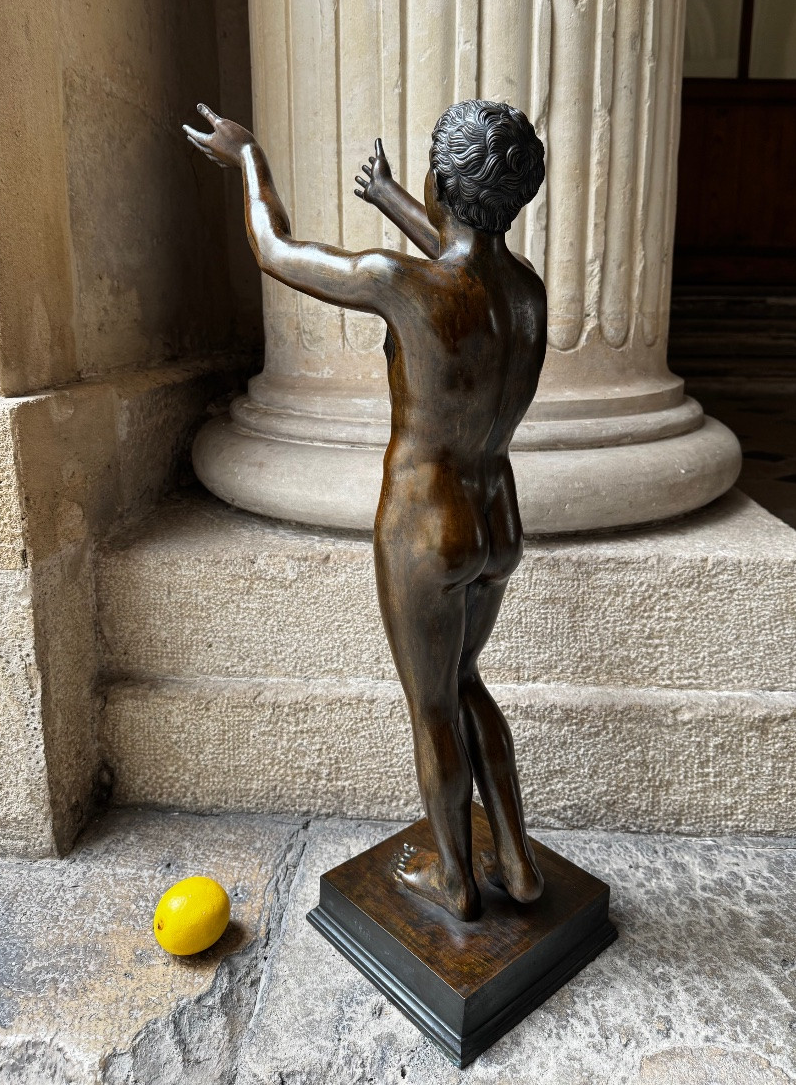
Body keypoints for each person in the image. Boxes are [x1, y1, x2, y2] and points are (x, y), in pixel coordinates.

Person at [184, 99, 547, 921]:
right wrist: (391, 200)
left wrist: (249, 158)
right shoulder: (525, 293)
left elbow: (274, 250)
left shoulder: (399, 282)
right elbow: (467, 262)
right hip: (498, 520)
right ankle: (518, 866)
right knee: (466, 682)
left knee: (432, 707)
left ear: (443, 183)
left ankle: (456, 879)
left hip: (428, 520)